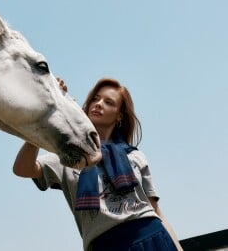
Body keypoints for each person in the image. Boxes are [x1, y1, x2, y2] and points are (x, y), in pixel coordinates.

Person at [13, 78, 183, 251]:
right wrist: (43, 117)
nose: (98, 104)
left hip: (151, 236)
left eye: (108, 102)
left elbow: (156, 211)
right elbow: (22, 169)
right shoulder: (68, 155)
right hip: (104, 244)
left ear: (119, 116)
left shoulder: (135, 156)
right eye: (95, 99)